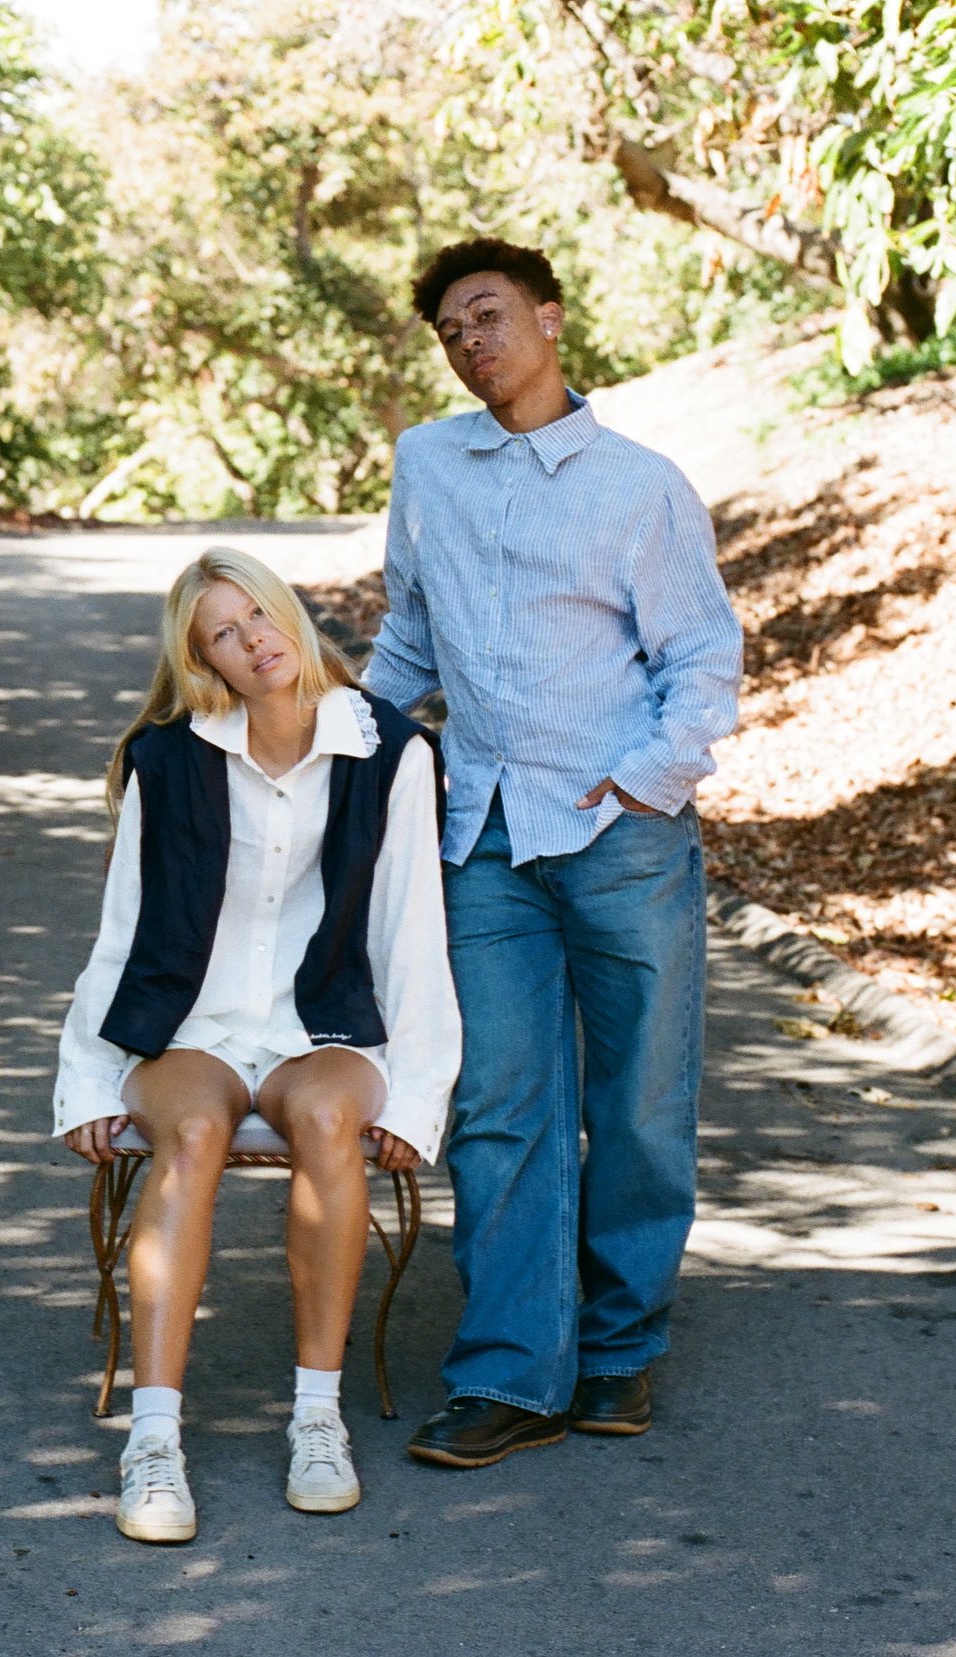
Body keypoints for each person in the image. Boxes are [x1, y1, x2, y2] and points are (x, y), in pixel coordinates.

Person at [367, 238, 743, 1469]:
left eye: (487, 315)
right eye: (448, 330)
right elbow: (409, 643)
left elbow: (700, 658)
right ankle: (514, 1372)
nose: (470, 341)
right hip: (478, 837)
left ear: (548, 318)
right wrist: (340, 755)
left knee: (636, 1104)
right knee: (498, 1106)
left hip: (615, 837)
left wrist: (643, 781)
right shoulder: (427, 463)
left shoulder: (639, 485)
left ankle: (621, 1352)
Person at [54, 547, 460, 1544]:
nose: (254, 642)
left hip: (324, 1022)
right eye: (223, 636)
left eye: (260, 616)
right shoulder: (169, 757)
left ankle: (315, 1419)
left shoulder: (392, 752)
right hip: (191, 1023)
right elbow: (121, 927)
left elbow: (413, 931)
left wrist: (414, 1096)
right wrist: (89, 1079)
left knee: (327, 1114)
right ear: (206, 665)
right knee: (189, 1130)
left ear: (289, 613)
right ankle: (153, 1443)